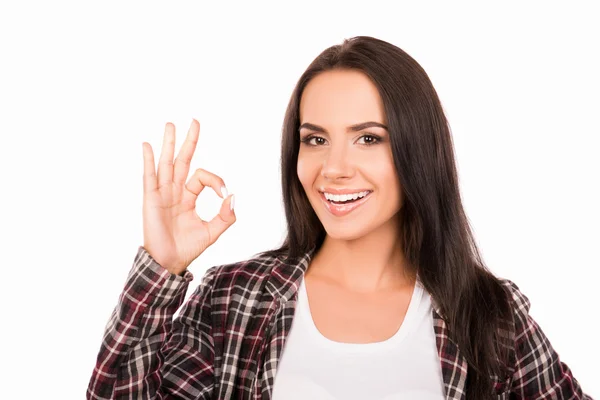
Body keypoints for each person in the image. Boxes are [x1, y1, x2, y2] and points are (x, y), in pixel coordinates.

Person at [86, 36, 592, 400]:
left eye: (368, 138)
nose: (334, 168)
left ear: (418, 150)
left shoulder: (487, 316)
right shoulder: (234, 300)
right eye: (315, 139)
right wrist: (160, 266)